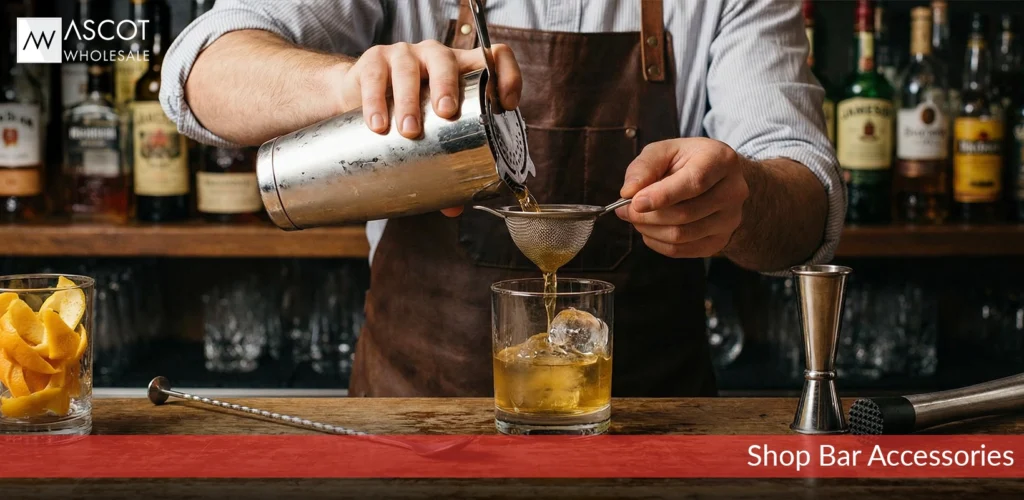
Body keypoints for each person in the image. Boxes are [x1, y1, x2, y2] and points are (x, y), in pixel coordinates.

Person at [162, 0, 844, 397]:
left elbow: (811, 200)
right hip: (406, 433)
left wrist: (744, 199)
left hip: (651, 432)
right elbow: (199, 71)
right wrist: (349, 88)